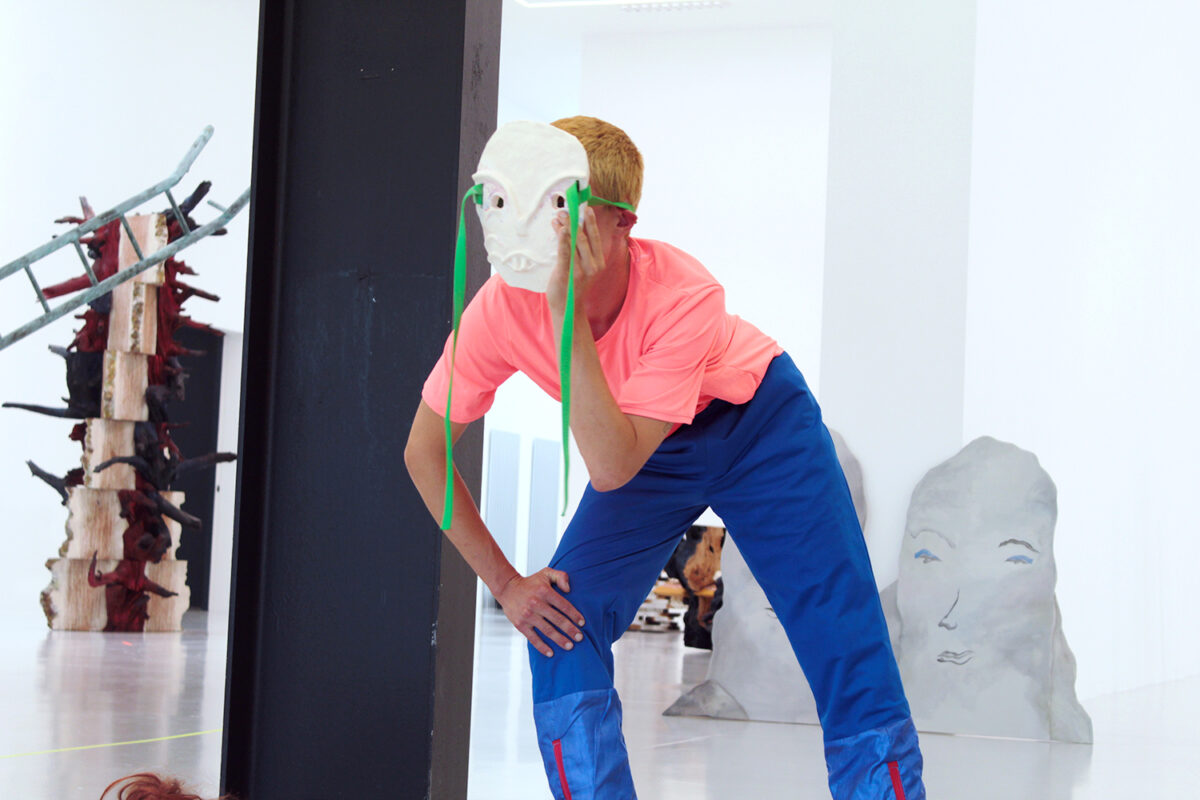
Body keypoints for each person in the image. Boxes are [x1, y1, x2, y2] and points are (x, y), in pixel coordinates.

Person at [404, 116, 925, 800]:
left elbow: (610, 467)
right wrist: (505, 584)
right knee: (560, 625)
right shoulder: (500, 309)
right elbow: (424, 451)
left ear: (621, 223)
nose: (538, 229)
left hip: (758, 424)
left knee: (843, 633)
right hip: (640, 446)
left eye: (561, 207)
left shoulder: (686, 295)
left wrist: (566, 316)